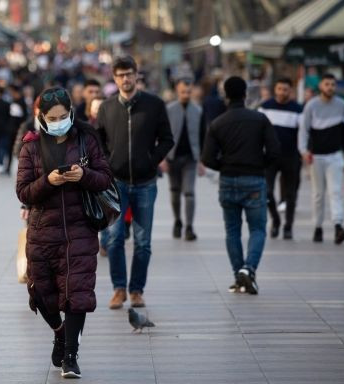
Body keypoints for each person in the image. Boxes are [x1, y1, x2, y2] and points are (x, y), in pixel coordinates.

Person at [16, 87, 113, 379]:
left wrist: (84, 176)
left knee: (76, 292)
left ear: (71, 113)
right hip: (42, 231)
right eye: (52, 117)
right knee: (41, 292)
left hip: (78, 229)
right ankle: (59, 333)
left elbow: (105, 178)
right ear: (42, 117)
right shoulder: (30, 146)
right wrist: (49, 181)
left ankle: (71, 355)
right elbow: (23, 191)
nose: (59, 121)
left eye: (63, 116)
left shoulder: (87, 139)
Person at [96, 56, 174, 309]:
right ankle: (119, 288)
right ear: (114, 78)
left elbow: (167, 139)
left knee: (143, 241)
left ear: (136, 75)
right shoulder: (106, 108)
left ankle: (137, 290)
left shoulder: (154, 105)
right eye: (120, 75)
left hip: (145, 182)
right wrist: (108, 165)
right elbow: (99, 143)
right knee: (114, 238)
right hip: (116, 183)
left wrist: (151, 160)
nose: (125, 79)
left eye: (129, 74)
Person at [201, 76, 281, 295]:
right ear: (245, 94)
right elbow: (275, 152)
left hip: (227, 180)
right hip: (254, 179)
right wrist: (258, 165)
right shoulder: (260, 119)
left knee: (232, 231)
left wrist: (224, 165)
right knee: (257, 229)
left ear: (226, 96)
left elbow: (207, 158)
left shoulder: (218, 123)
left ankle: (239, 276)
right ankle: (249, 268)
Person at [299, 74, 344, 244]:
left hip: (335, 155)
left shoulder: (342, 105)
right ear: (321, 86)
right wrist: (304, 151)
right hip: (316, 157)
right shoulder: (311, 105)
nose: (330, 87)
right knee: (318, 194)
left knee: (335, 192)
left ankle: (338, 226)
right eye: (327, 84)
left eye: (333, 84)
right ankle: (318, 227)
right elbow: (304, 130)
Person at [258, 78, 303, 239]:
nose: (282, 92)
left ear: (290, 91)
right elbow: (258, 132)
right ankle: (276, 220)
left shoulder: (298, 109)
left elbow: (303, 134)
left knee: (291, 194)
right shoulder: (265, 107)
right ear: (275, 89)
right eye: (279, 89)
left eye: (285, 89)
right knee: (267, 191)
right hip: (270, 157)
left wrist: (303, 152)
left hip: (291, 156)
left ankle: (288, 226)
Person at [161, 78, 206, 241]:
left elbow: (203, 136)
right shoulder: (169, 109)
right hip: (172, 157)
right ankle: (178, 221)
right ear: (177, 92)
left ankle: (189, 226)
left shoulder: (198, 110)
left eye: (188, 91)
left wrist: (202, 161)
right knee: (174, 192)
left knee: (189, 192)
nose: (186, 95)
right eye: (182, 92)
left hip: (190, 158)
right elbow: (162, 134)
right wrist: (162, 158)